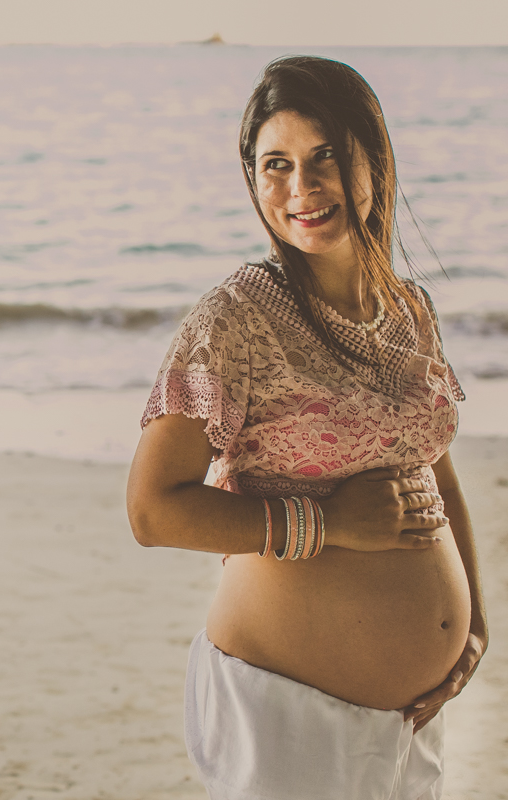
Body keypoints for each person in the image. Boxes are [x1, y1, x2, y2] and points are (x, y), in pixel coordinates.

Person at [126, 55, 488, 800]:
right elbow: (152, 510)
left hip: (409, 719)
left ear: (371, 156)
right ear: (253, 181)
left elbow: (435, 470)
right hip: (283, 711)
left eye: (324, 156)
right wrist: (324, 524)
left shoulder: (408, 309)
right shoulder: (236, 320)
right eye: (277, 165)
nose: (302, 188)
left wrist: (474, 624)